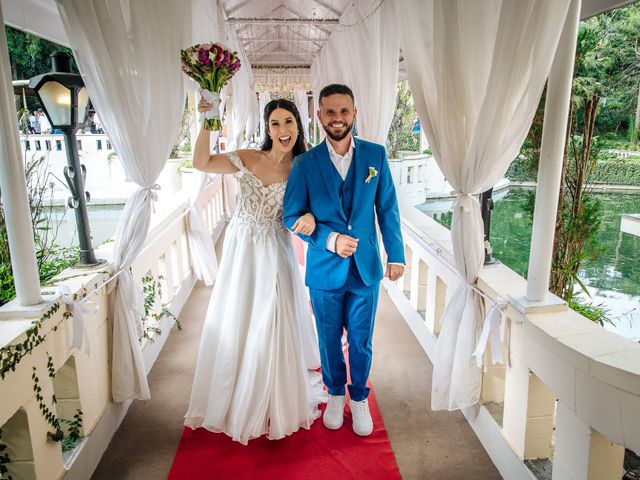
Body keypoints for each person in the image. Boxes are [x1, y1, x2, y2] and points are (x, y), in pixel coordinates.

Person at [184, 98, 326, 445]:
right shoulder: (248, 157)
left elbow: (320, 207)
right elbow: (200, 161)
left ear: (299, 126)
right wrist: (209, 119)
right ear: (267, 127)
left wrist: (311, 218)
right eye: (275, 123)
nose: (282, 130)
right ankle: (235, 392)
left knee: (272, 318)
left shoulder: (303, 168)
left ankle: (270, 397)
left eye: (288, 122)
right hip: (241, 249)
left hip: (275, 249)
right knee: (238, 316)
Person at [283, 84, 405, 437]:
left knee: (362, 339)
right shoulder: (305, 163)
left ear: (354, 113)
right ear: (319, 116)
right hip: (324, 268)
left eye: (344, 111)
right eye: (330, 112)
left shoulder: (376, 156)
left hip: (366, 269)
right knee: (328, 337)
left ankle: (359, 397)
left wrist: (395, 254)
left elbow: (387, 208)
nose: (338, 118)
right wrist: (329, 238)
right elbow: (292, 215)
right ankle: (335, 394)